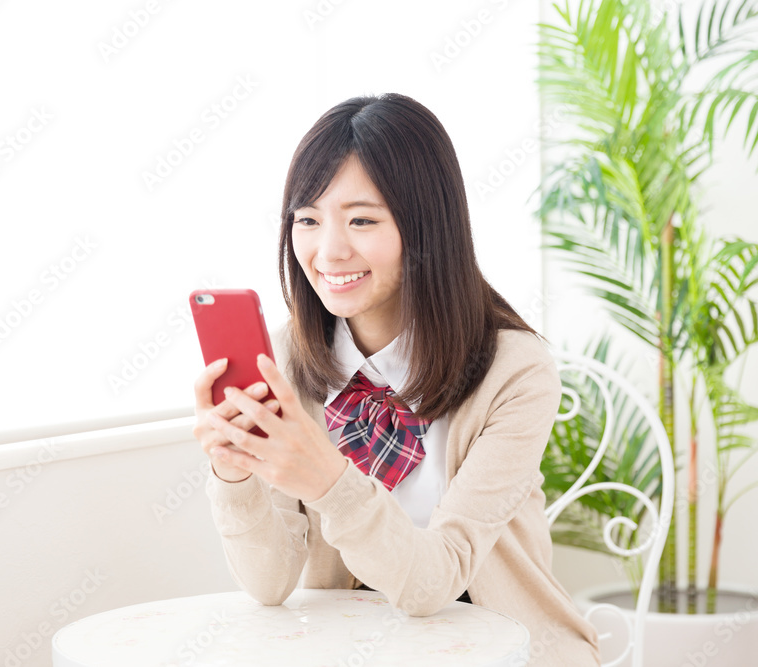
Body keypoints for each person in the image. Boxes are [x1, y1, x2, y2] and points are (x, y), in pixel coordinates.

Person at [192, 93, 600, 666]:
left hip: (501, 647)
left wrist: (328, 481)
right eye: (307, 220)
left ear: (425, 225)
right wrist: (235, 477)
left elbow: (437, 580)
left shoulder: (516, 370)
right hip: (352, 648)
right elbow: (269, 585)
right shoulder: (287, 358)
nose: (329, 251)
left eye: (361, 219)